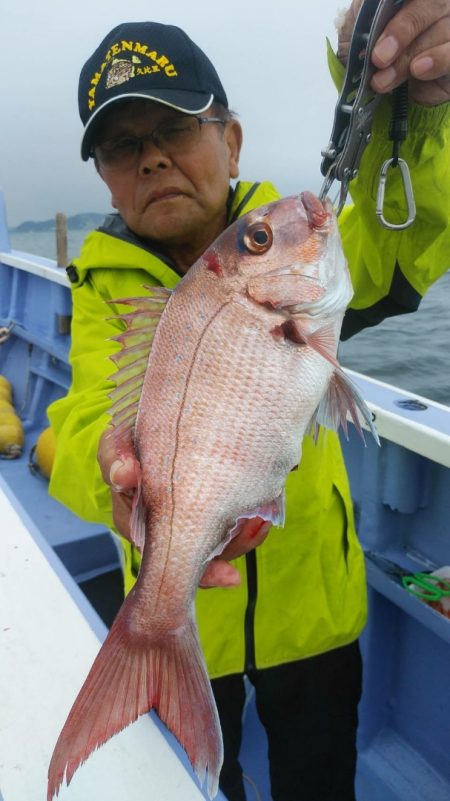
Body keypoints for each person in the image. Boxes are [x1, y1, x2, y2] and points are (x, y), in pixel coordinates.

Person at [48, 4, 450, 800]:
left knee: (317, 777)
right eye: (124, 146)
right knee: (204, 781)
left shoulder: (306, 252)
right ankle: (160, 656)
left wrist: (420, 117)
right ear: (103, 175)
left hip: (317, 618)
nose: (154, 159)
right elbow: (83, 424)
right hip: (200, 621)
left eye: (174, 128)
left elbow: (408, 232)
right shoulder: (103, 288)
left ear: (230, 140)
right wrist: (108, 471)